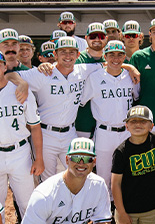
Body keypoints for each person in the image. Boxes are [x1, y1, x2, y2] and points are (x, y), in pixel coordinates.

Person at [9, 37, 99, 181]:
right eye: (63, 52)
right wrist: (22, 83)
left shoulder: (83, 70)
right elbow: (10, 75)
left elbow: (107, 64)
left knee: (79, 176)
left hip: (70, 133)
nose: (68, 56)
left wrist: (130, 68)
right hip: (46, 134)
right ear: (55, 55)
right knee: (47, 181)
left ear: (78, 55)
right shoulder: (43, 73)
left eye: (72, 52)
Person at [79, 40, 139, 193]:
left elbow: (136, 97)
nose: (116, 59)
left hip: (126, 132)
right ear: (105, 56)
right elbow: (81, 102)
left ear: (125, 56)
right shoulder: (94, 78)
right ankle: (105, 213)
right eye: (111, 55)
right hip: (104, 132)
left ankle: (124, 210)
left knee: (128, 174)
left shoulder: (130, 77)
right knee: (104, 176)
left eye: (120, 55)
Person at [0, 50, 43, 224]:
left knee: (27, 202)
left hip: (20, 152)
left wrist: (39, 158)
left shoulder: (20, 91)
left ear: (4, 66)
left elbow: (35, 127)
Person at [75, 22, 108, 138]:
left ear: (106, 38)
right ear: (86, 38)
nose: (97, 39)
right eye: (93, 36)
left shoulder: (112, 58)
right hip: (81, 121)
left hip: (105, 124)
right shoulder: (78, 59)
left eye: (101, 36)